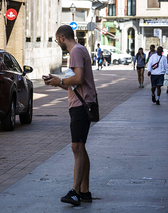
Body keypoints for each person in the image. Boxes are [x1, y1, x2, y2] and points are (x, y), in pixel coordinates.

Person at [43, 25, 97, 206]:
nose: (58, 43)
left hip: (81, 105)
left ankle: (75, 192)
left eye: (57, 40)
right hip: (80, 103)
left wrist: (60, 80)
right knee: (80, 147)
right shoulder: (79, 50)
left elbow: (79, 78)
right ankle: (84, 191)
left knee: (76, 146)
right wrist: (57, 82)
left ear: (61, 38)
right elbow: (72, 83)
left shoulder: (75, 52)